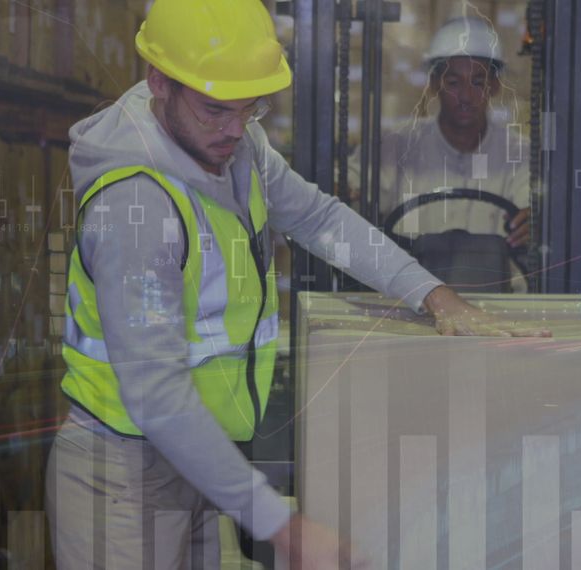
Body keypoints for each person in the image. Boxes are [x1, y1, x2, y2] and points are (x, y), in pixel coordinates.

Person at [45, 1, 547, 569]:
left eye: (250, 108)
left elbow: (318, 219)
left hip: (199, 460)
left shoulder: (237, 145)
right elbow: (156, 394)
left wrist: (434, 293)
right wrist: (280, 524)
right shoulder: (134, 203)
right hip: (127, 478)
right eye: (216, 110)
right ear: (159, 82)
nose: (236, 129)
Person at [349, 15, 533, 291]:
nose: (466, 96)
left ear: (494, 86)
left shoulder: (520, 154)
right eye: (453, 82)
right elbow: (348, 188)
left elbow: (536, 210)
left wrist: (535, 221)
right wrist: (349, 191)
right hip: (409, 303)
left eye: (478, 82)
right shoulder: (395, 146)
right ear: (435, 84)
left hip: (500, 305)